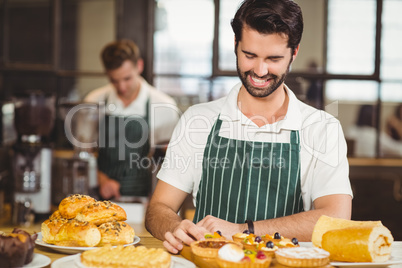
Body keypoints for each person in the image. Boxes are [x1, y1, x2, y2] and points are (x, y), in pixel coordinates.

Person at [145, 0, 353, 254]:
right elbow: (158, 208)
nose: (260, 70)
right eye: (249, 55)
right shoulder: (198, 120)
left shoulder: (322, 128)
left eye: (274, 58)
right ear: (235, 45)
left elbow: (336, 220)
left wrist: (244, 230)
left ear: (294, 52)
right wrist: (175, 227)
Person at [85, 39, 180, 200]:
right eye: (114, 80)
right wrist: (101, 180)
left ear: (140, 66)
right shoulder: (94, 101)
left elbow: (172, 161)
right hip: (99, 199)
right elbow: (83, 155)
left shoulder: (164, 106)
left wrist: (160, 197)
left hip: (145, 199)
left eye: (127, 79)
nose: (121, 87)